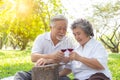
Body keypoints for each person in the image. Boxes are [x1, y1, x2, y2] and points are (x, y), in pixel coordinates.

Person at [14, 15, 74, 80]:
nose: (62, 31)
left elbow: (69, 65)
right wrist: (52, 56)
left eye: (64, 29)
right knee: (21, 75)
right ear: (51, 28)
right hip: (39, 72)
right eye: (59, 28)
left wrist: (49, 62)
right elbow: (33, 57)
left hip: (58, 74)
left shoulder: (68, 42)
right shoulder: (41, 38)